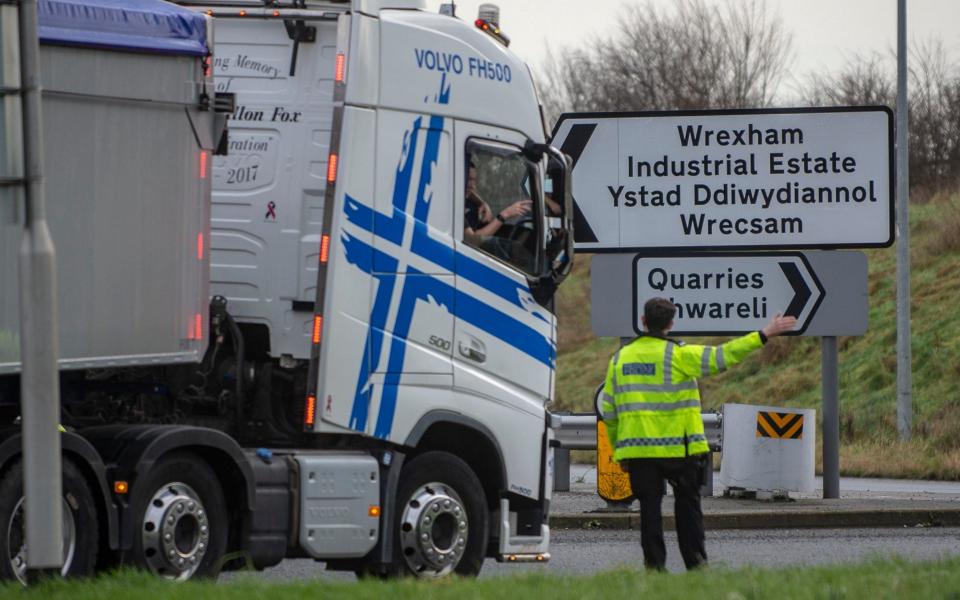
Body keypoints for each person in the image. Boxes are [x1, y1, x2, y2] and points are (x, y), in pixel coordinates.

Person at [600, 297, 797, 571]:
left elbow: (608, 410)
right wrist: (764, 334)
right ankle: (696, 565)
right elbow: (723, 356)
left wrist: (620, 450)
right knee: (688, 508)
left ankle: (654, 569)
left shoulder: (620, 359)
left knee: (649, 512)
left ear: (643, 322)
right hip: (680, 451)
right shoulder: (679, 355)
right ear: (671, 323)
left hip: (638, 452)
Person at [464, 164, 531, 244]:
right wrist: (505, 214)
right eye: (468, 179)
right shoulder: (453, 208)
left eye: (474, 180)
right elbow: (472, 240)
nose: (473, 186)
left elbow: (469, 193)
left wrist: (483, 204)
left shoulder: (465, 198)